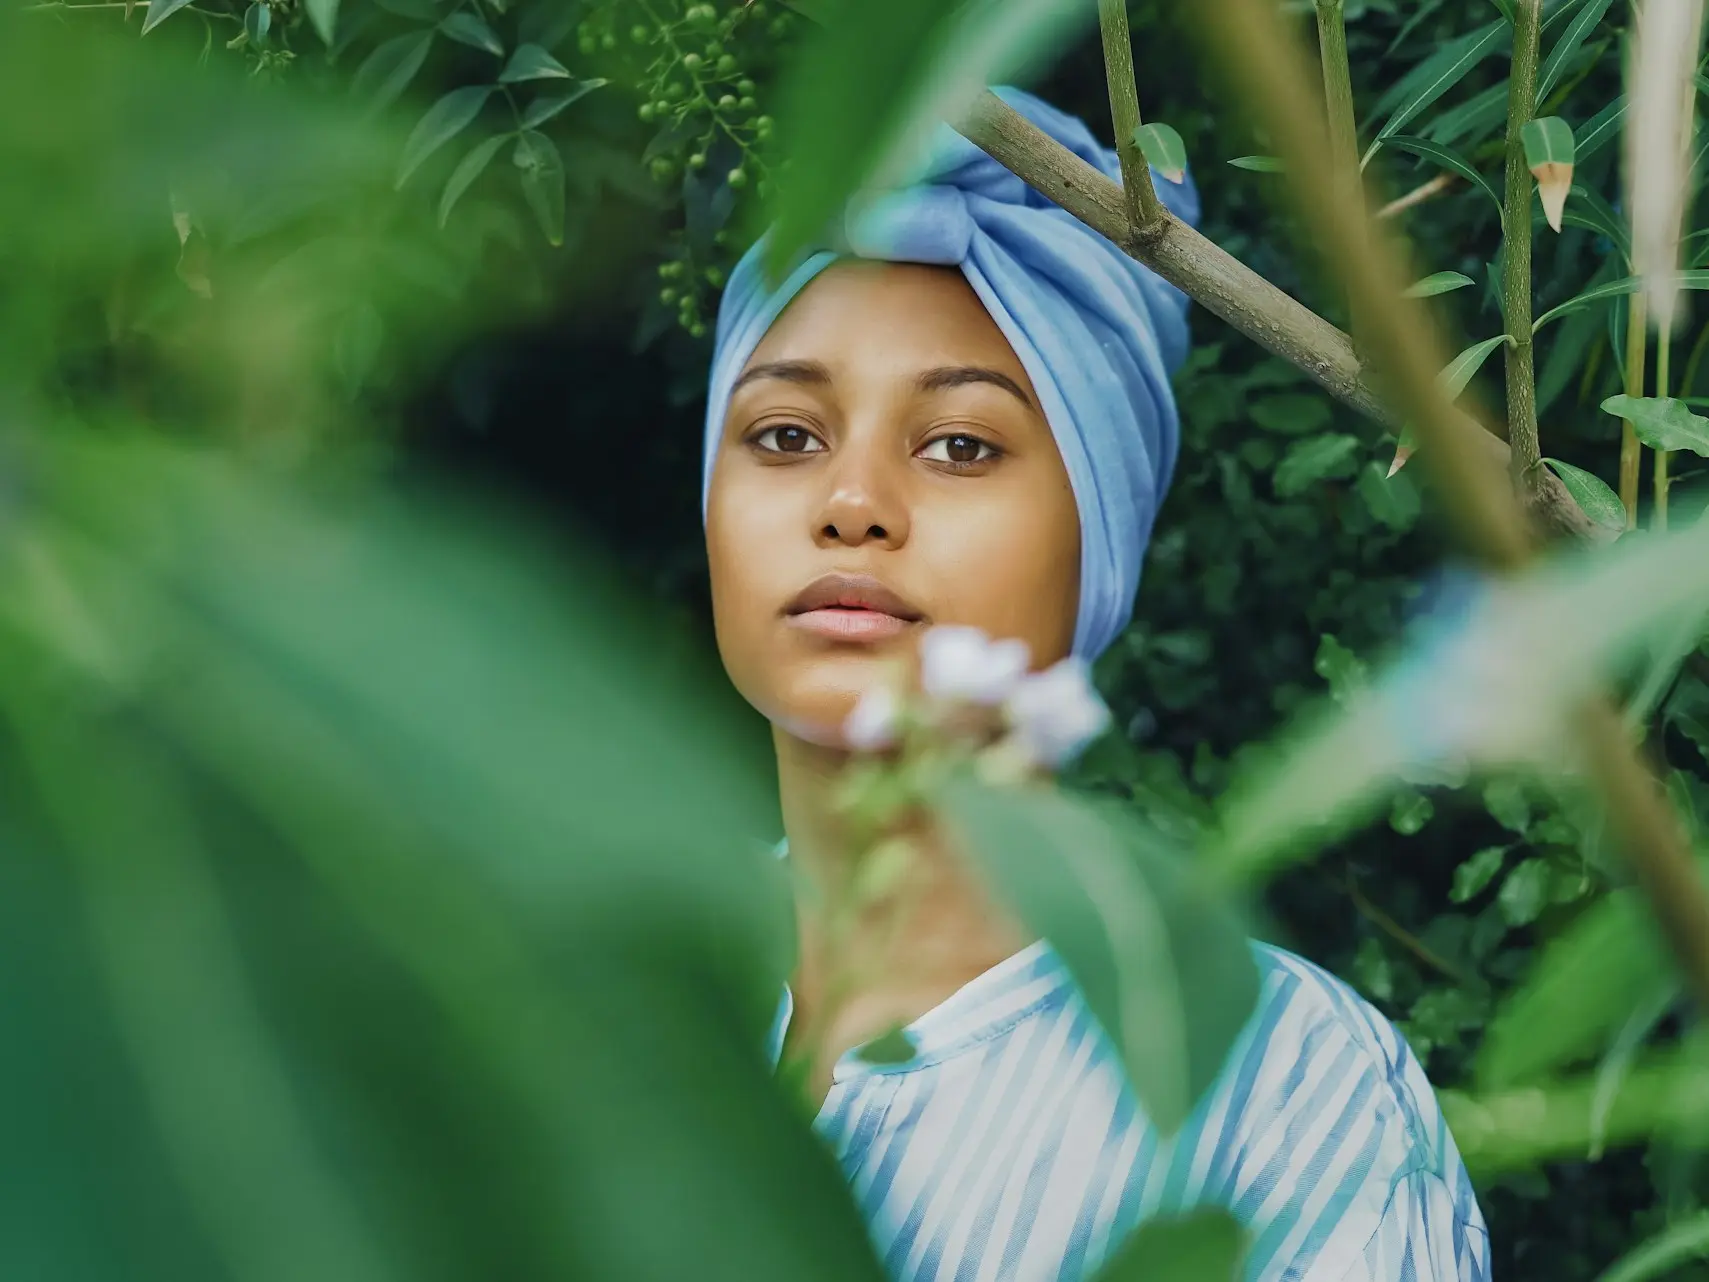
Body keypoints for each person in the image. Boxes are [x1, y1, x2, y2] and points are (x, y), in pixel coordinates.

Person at [698, 88, 1489, 1282]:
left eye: (959, 443)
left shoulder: (1275, 1085)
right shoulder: (573, 994)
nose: (849, 503)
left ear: (1099, 539)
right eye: (784, 435)